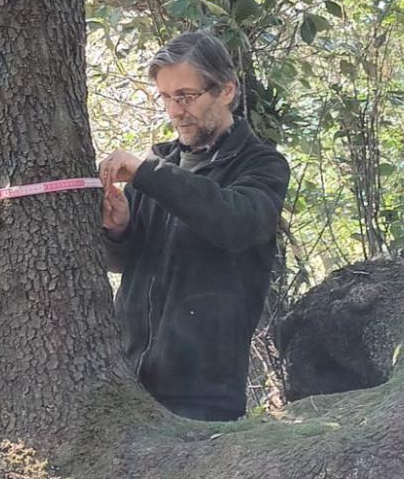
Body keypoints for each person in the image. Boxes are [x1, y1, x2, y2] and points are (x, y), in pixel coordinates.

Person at [98, 31, 290, 421]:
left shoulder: (261, 165)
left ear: (226, 90)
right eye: (166, 98)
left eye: (185, 96)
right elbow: (122, 262)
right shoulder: (160, 163)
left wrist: (147, 174)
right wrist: (118, 229)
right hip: (128, 382)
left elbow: (235, 223)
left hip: (204, 395)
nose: (175, 111)